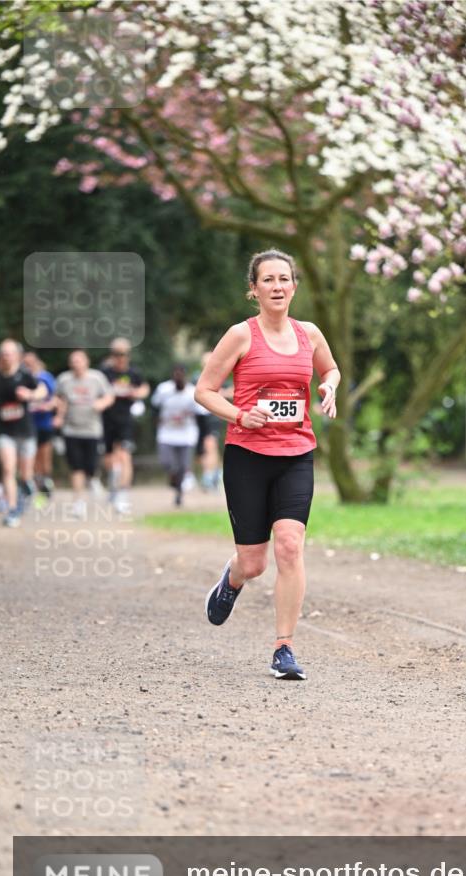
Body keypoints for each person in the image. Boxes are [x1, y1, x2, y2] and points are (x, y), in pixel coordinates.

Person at [195, 248, 340, 681]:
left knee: (290, 546)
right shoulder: (240, 335)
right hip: (248, 457)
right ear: (254, 290)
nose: (277, 286)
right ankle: (232, 580)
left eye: (284, 279)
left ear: (294, 286)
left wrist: (329, 388)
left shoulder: (309, 333)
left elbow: (330, 369)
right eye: (268, 280)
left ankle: (284, 648)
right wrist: (240, 415)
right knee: (255, 562)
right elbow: (205, 390)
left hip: (296, 452)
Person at [54, 350, 114, 518]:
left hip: (92, 430)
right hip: (71, 429)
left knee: (92, 464)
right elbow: (59, 399)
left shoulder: (96, 378)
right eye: (73, 361)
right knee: (76, 467)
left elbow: (110, 396)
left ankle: (94, 478)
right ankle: (78, 503)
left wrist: (101, 403)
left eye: (79, 360)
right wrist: (59, 416)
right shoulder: (64, 379)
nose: (76, 364)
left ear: (86, 362)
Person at [0, 340, 47, 526]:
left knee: (25, 475)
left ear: (17, 355)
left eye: (9, 353)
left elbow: (42, 390)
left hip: (25, 431)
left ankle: (28, 489)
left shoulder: (25, 375)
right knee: (8, 469)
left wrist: (30, 395)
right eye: (3, 353)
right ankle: (12, 509)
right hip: (3, 431)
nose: (6, 356)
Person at [100, 337, 149, 514]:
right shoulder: (105, 373)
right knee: (109, 458)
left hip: (125, 420)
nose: (120, 358)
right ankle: (114, 485)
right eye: (116, 354)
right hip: (106, 420)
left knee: (124, 455)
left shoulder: (133, 372)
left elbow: (144, 388)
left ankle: (123, 494)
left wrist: (136, 393)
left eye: (123, 354)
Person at [151, 365, 201, 507]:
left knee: (183, 466)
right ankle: (173, 479)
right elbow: (154, 406)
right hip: (166, 433)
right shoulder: (163, 389)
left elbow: (201, 412)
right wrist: (157, 421)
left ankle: (179, 494)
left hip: (186, 435)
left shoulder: (192, 392)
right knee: (168, 463)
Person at [193, 351, 230, 492]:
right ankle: (215, 474)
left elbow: (233, 390)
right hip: (197, 418)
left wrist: (219, 395)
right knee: (202, 450)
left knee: (210, 444)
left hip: (213, 416)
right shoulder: (195, 378)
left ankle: (209, 477)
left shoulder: (220, 377)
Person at [23, 350, 57, 496]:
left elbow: (55, 398)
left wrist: (48, 407)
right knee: (32, 456)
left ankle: (47, 481)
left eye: (30, 362)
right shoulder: (23, 377)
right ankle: (36, 485)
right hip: (27, 424)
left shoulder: (46, 377)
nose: (28, 365)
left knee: (44, 455)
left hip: (44, 423)